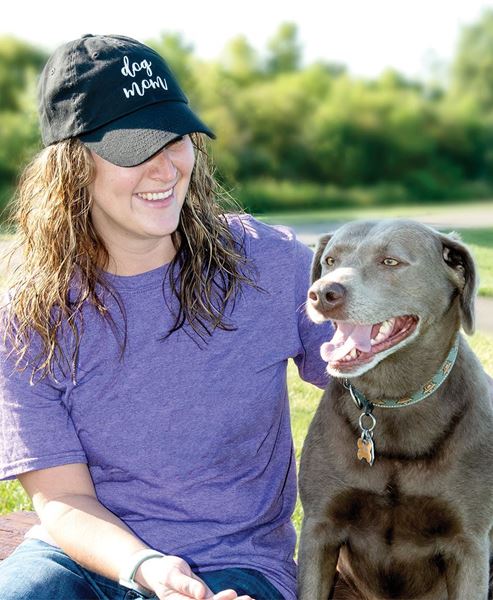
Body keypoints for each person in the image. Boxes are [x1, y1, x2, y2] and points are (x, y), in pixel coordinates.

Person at [0, 34, 332, 600]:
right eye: (134, 146)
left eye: (175, 138)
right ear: (72, 164)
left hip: (236, 564)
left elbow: (385, 382)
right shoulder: (32, 319)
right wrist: (147, 567)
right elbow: (62, 498)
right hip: (85, 558)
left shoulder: (266, 265)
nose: (166, 167)